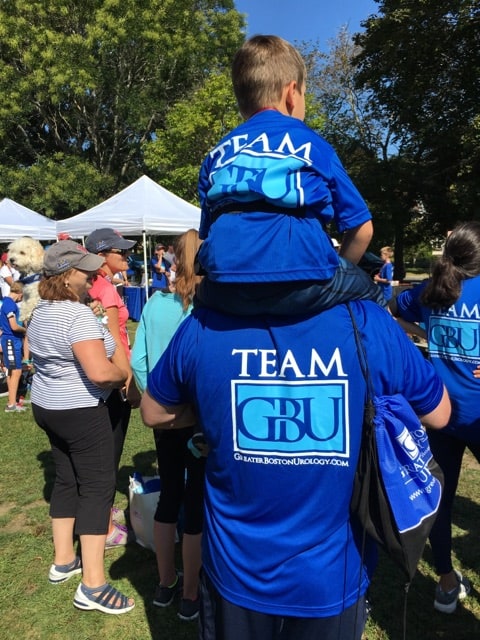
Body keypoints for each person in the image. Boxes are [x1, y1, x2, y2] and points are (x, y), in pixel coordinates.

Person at [140, 297, 450, 640]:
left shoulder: (205, 324)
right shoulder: (364, 320)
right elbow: (439, 413)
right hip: (330, 575)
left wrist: (216, 414)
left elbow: (154, 413)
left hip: (238, 570)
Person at [195, 35, 386, 315]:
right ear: (291, 93)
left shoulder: (214, 155)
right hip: (305, 280)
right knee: (373, 296)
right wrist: (338, 269)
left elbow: (205, 236)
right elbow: (362, 228)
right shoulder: (314, 145)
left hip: (227, 285)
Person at [27, 240, 134, 614]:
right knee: (97, 489)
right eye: (86, 271)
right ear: (65, 276)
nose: (93, 276)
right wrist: (123, 369)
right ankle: (93, 584)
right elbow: (102, 372)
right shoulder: (76, 317)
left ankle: (63, 560)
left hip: (49, 406)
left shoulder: (42, 312)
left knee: (67, 479)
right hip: (81, 412)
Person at [390, 221, 480, 614]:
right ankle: (446, 580)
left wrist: (424, 332)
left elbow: (392, 312)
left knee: (438, 498)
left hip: (439, 411)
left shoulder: (433, 290)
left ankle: (445, 580)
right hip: (471, 413)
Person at [131, 229, 205, 621]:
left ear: (175, 259)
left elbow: (138, 361)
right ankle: (191, 592)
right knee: (196, 502)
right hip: (200, 418)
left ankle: (165, 582)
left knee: (171, 494)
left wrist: (155, 402)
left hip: (164, 418)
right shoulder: (207, 307)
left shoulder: (154, 305)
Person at [85, 228, 142, 547]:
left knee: (103, 450)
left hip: (105, 373)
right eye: (120, 251)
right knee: (109, 451)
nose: (126, 255)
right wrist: (128, 379)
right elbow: (113, 339)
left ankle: (101, 511)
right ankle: (104, 527)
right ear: (102, 255)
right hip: (114, 374)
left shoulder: (99, 284)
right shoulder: (104, 289)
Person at [0, 281, 27, 412]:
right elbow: (14, 326)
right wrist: (25, 330)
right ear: (20, 293)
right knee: (16, 371)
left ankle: (12, 401)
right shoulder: (10, 304)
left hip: (9, 340)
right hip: (11, 340)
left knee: (12, 371)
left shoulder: (6, 302)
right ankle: (11, 405)